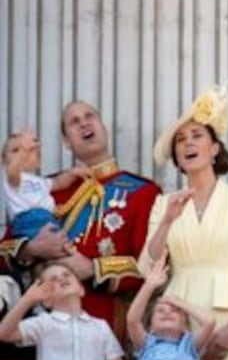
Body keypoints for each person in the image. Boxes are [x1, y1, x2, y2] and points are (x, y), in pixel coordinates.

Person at [0, 101, 161, 345]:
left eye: (90, 116)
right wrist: (31, 249)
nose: (84, 122)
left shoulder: (142, 192)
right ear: (66, 142)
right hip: (42, 326)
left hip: (106, 324)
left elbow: (150, 267)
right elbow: (3, 251)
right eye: (74, 122)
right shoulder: (44, 189)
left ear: (103, 127)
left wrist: (93, 268)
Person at [139, 87, 228, 360]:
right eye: (181, 140)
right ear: (176, 156)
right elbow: (148, 269)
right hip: (177, 321)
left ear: (214, 149)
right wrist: (167, 221)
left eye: (197, 136)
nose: (188, 144)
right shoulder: (164, 204)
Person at [0, 261, 124, 360]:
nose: (61, 279)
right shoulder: (42, 323)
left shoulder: (100, 326)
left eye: (67, 275)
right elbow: (4, 333)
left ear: (81, 289)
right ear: (46, 301)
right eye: (53, 279)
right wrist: (28, 299)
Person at [127, 254, 215, 360]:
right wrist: (149, 286)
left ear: (184, 324)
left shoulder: (189, 345)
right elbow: (132, 320)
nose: (167, 312)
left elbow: (209, 322)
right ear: (150, 326)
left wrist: (181, 303)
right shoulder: (146, 344)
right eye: (160, 310)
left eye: (175, 310)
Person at [3, 130, 90, 240]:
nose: (24, 153)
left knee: (63, 247)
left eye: (31, 151)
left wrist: (73, 173)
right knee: (58, 247)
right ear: (4, 161)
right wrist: (24, 148)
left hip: (48, 218)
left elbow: (58, 183)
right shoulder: (14, 178)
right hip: (28, 221)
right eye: (15, 150)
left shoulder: (39, 181)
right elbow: (13, 169)